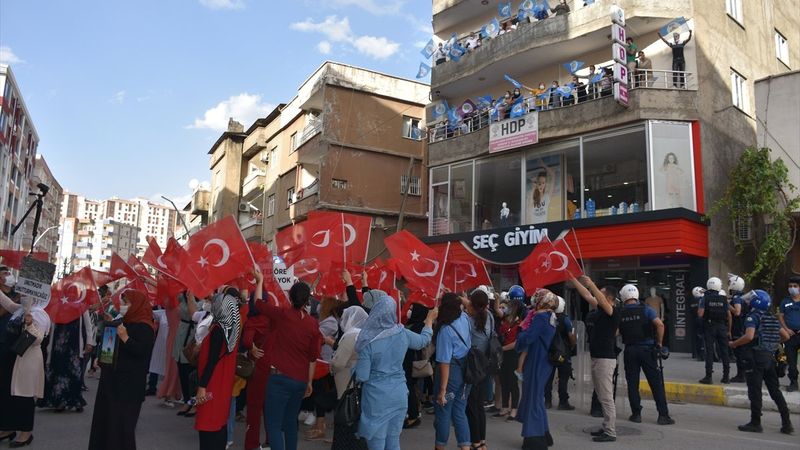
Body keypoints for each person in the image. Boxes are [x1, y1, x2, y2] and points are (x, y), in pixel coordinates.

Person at [355, 294, 436, 450]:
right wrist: (430, 320)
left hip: (376, 398)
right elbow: (423, 341)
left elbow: (362, 376)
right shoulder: (401, 332)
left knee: (376, 442)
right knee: (393, 441)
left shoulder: (368, 341)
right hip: (399, 394)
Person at [255, 272, 322, 450]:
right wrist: (309, 382)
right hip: (299, 381)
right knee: (291, 422)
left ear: (291, 297)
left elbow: (259, 304)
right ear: (308, 300)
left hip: (279, 378)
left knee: (274, 425)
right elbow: (313, 356)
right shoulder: (312, 324)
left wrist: (260, 281)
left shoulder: (283, 314)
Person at [88, 289, 155, 450]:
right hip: (112, 380)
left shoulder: (145, 326)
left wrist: (125, 338)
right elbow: (112, 346)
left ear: (137, 305)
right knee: (107, 423)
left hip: (129, 386)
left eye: (127, 303)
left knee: (122, 427)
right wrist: (102, 356)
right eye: (123, 302)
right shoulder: (125, 321)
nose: (123, 306)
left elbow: (142, 352)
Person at [729, 290, 793, 435]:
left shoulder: (753, 317)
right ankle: (787, 423)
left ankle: (755, 423)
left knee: (755, 391)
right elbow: (785, 337)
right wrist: (771, 344)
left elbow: (749, 336)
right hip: (769, 358)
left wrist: (734, 344)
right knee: (775, 391)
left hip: (755, 358)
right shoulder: (771, 316)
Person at [616, 284, 675, 425]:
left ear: (623, 296)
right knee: (656, 384)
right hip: (647, 350)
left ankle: (636, 414)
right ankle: (663, 415)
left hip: (630, 351)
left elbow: (616, 332)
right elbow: (660, 325)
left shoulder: (620, 312)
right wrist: (659, 343)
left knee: (632, 383)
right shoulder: (646, 310)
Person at [572, 275, 620, 442]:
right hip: (596, 357)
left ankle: (610, 432)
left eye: (601, 293)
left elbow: (597, 297)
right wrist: (573, 279)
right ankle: (606, 426)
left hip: (605, 359)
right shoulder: (599, 309)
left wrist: (591, 283)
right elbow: (587, 295)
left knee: (606, 397)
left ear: (609, 298)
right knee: (601, 395)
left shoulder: (612, 312)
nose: (597, 295)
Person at [0, 289, 49, 448]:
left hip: (26, 361)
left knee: (24, 397)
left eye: (27, 294)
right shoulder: (20, 310)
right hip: (11, 359)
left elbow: (37, 339)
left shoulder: (39, 314)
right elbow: (7, 303)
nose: (22, 296)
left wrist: (29, 323)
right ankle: (8, 428)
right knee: (7, 395)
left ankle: (26, 433)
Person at [195, 289, 242, 450]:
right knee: (220, 423)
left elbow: (211, 361)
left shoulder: (217, 330)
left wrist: (202, 387)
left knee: (208, 425)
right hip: (223, 384)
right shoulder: (232, 329)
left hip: (212, 383)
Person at [516, 289, 557, 450]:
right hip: (543, 360)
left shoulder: (540, 317)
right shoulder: (551, 316)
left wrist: (521, 331)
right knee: (537, 397)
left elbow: (528, 338)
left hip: (536, 360)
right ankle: (543, 433)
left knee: (533, 397)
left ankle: (534, 439)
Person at [39, 307, 94, 412]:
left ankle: (76, 400)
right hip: (58, 344)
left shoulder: (81, 304)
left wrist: (89, 341)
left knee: (75, 374)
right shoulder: (59, 302)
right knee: (59, 372)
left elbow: (88, 324)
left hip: (74, 347)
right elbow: (51, 322)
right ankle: (60, 401)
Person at [330, 306, 369, 450]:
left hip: (345, 386)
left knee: (344, 420)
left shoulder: (350, 337)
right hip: (358, 385)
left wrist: (331, 364)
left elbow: (339, 362)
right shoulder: (363, 335)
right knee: (355, 421)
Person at [465, 289, 494, 450]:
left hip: (473, 365)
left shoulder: (468, 321)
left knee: (471, 406)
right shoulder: (489, 316)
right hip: (486, 364)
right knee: (479, 406)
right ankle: (482, 441)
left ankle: (475, 441)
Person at [402, 303, 431, 429]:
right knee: (411, 386)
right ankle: (413, 413)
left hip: (411, 360)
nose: (410, 310)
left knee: (409, 386)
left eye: (413, 309)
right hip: (409, 359)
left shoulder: (418, 326)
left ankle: (413, 415)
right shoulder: (415, 324)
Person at [698, 277, 732, 384]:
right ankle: (726, 376)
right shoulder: (724, 299)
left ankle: (708, 377)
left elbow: (700, 314)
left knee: (709, 351)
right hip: (722, 327)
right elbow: (729, 316)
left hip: (710, 326)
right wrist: (729, 330)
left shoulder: (705, 299)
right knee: (724, 351)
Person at [494, 293, 522, 421]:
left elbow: (517, 343)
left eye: (510, 306)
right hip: (503, 353)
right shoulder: (505, 318)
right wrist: (497, 299)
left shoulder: (520, 323)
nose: (507, 308)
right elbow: (496, 310)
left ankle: (514, 409)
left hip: (512, 354)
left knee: (512, 382)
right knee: (503, 380)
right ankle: (504, 407)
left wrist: (502, 348)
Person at [544, 296, 576, 410]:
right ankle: (563, 402)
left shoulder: (547, 317)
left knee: (548, 378)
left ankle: (547, 401)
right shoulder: (565, 319)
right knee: (563, 378)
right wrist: (572, 345)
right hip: (563, 353)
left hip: (549, 352)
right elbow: (571, 337)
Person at [173, 292, 199, 416]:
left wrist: (190, 298)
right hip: (182, 332)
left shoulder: (204, 297)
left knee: (193, 371)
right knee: (181, 368)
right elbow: (170, 287)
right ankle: (187, 399)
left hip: (194, 334)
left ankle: (194, 401)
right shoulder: (182, 295)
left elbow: (194, 314)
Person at [778, 275, 800, 392]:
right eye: (790, 286)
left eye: (795, 286)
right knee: (791, 361)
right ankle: (793, 382)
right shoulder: (785, 301)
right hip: (790, 335)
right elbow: (781, 316)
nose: (792, 288)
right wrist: (786, 328)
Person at [727, 275, 748, 383]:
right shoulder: (743, 296)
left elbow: (737, 312)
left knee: (739, 353)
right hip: (743, 327)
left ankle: (741, 375)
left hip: (738, 328)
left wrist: (726, 304)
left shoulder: (736, 298)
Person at [147, 306, 168, 396]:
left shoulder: (179, 313)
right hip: (160, 344)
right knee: (155, 364)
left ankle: (168, 391)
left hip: (172, 344)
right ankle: (152, 387)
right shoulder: (162, 313)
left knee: (169, 368)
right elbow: (149, 313)